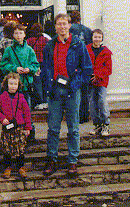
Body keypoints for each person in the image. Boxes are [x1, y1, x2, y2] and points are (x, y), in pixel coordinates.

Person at [41, 13, 92, 176]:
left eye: (64, 24)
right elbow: (46, 67)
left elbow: (87, 69)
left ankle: (72, 160)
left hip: (72, 91)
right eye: (59, 24)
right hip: (55, 91)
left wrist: (74, 83)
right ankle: (52, 159)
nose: (62, 27)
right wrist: (48, 84)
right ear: (55, 27)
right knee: (53, 128)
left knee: (73, 128)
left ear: (69, 26)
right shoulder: (49, 45)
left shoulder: (78, 44)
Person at [0, 24, 40, 141]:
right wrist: (14, 68)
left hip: (26, 84)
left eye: (21, 33)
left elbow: (35, 64)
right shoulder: (9, 50)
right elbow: (3, 65)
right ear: (13, 35)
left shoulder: (29, 50)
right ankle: (11, 133)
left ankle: (29, 132)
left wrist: (29, 69)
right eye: (16, 33)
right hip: (12, 85)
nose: (18, 36)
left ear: (24, 35)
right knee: (11, 109)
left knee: (26, 108)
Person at [0, 73, 32, 179]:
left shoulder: (21, 97)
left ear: (18, 85)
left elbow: (27, 112)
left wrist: (28, 127)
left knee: (20, 147)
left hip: (19, 127)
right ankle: (7, 167)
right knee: (7, 148)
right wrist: (2, 118)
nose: (13, 86)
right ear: (6, 84)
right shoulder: (2, 97)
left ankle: (21, 167)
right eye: (11, 84)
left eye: (15, 84)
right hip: (7, 127)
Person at [86, 29, 112, 136]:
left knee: (102, 101)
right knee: (92, 103)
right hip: (90, 81)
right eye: (95, 37)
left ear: (102, 39)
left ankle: (105, 124)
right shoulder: (87, 50)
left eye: (99, 37)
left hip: (101, 81)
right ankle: (97, 125)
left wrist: (98, 75)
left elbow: (108, 69)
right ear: (92, 38)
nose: (97, 39)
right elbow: (83, 63)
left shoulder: (106, 52)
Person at [69, 10, 93, 124]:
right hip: (85, 62)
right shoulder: (88, 30)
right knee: (84, 91)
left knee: (74, 91)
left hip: (73, 63)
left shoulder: (70, 30)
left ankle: (76, 115)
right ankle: (84, 115)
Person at [27, 23, 50, 110]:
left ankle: (37, 101)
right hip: (45, 63)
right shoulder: (46, 40)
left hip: (34, 65)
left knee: (36, 84)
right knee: (45, 82)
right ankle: (45, 101)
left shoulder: (29, 41)